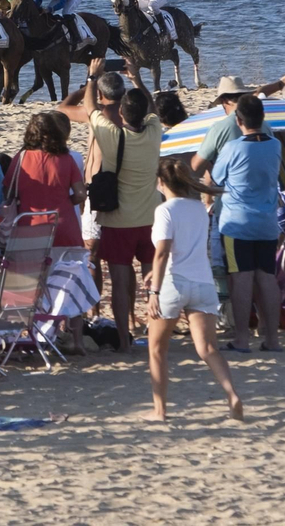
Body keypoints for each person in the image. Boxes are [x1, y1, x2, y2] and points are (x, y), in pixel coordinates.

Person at [58, 61, 163, 353]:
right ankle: (155, 336)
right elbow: (152, 106)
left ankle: (125, 344)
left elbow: (89, 107)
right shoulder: (154, 130)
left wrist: (91, 76)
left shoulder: (111, 133)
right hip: (151, 217)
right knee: (153, 281)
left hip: (119, 219)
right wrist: (138, 77)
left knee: (118, 282)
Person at [145, 158, 243, 422]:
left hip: (174, 284)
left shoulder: (165, 210)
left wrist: (154, 291)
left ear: (161, 182)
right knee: (208, 348)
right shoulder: (199, 208)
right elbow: (188, 247)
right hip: (202, 283)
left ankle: (160, 411)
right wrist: (157, 272)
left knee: (156, 349)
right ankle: (232, 395)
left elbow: (163, 252)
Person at [213, 94, 285, 354]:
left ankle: (242, 338)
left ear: (238, 119)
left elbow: (216, 177)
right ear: (262, 118)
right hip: (266, 221)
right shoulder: (275, 145)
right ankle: (272, 338)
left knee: (241, 277)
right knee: (266, 277)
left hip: (237, 222)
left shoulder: (233, 148)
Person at [189, 71, 285, 180]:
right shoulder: (263, 124)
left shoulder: (219, 128)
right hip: (266, 195)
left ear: (224, 101)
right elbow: (258, 94)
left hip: (230, 196)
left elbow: (196, 166)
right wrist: (280, 84)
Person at [6, 113, 87, 248]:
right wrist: (66, 202)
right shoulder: (66, 159)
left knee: (33, 267)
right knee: (69, 268)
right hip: (63, 223)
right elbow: (81, 194)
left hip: (29, 224)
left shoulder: (20, 158)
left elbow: (8, 191)